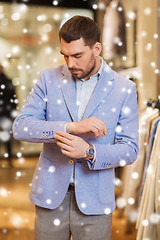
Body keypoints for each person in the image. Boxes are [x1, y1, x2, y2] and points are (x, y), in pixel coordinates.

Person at [13, 16, 139, 240]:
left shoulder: (124, 88)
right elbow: (21, 127)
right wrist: (71, 127)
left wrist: (90, 152)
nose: (70, 63)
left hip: (96, 202)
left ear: (96, 48)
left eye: (77, 55)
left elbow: (130, 149)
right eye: (65, 55)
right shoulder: (47, 79)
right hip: (50, 198)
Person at [0, 64, 17, 167]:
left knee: (6, 138)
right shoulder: (8, 81)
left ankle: (9, 159)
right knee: (7, 138)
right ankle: (9, 159)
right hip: (6, 113)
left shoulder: (8, 81)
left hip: (5, 113)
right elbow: (13, 98)